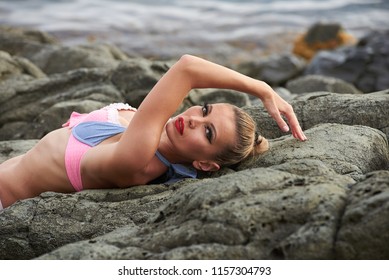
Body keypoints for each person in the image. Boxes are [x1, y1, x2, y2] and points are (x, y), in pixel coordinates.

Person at [0, 54, 306, 210]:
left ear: (204, 165)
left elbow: (186, 68)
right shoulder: (154, 129)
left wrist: (260, 87)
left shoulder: (137, 159)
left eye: (208, 133)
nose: (194, 119)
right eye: (204, 109)